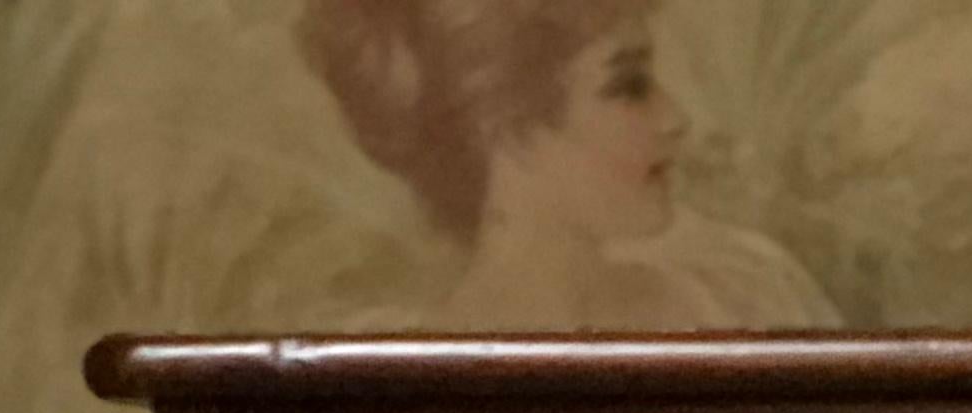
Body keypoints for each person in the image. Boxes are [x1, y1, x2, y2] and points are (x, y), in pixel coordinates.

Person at [296, 0, 839, 331]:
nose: (676, 118)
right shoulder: (400, 368)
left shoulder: (736, 298)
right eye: (628, 86)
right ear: (506, 127)